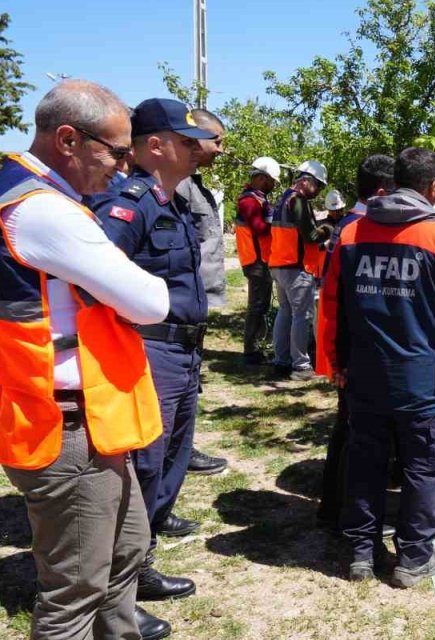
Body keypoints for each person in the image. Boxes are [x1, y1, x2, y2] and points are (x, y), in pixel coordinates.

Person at [0, 80, 171, 639]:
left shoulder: (13, 195)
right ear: (68, 140)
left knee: (127, 551)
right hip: (68, 429)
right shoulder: (45, 213)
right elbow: (151, 303)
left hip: (85, 421)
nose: (125, 168)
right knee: (74, 594)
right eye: (118, 152)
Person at [318, 147, 435, 587]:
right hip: (424, 382)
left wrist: (334, 363)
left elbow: (331, 307)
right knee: (422, 468)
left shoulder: (351, 234)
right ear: (434, 187)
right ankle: (413, 557)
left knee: (366, 462)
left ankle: (361, 553)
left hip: (365, 377)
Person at [89, 97, 216, 611]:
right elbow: (96, 276)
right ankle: (126, 576)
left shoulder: (175, 202)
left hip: (182, 351)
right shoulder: (131, 203)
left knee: (172, 458)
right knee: (144, 463)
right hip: (149, 351)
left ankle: (145, 551)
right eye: (187, 141)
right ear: (156, 146)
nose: (197, 149)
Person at [316, 153, 396, 530]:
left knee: (348, 428)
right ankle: (339, 510)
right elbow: (338, 297)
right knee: (351, 431)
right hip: (353, 348)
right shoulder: (356, 228)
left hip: (351, 347)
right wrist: (339, 358)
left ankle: (335, 507)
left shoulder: (350, 225)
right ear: (381, 192)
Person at [175, 108, 229, 476]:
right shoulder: (177, 186)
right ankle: (175, 450)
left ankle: (180, 448)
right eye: (217, 141)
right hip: (177, 305)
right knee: (179, 382)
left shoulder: (192, 184)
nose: (221, 150)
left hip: (195, 303)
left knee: (189, 380)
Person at [268, 159, 330, 379]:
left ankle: (281, 361)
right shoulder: (298, 201)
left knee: (285, 312)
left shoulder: (283, 198)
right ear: (305, 181)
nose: (319, 190)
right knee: (301, 316)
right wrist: (328, 228)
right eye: (318, 185)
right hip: (296, 267)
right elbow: (311, 236)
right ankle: (301, 366)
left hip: (279, 264)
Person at [235, 157, 281, 364]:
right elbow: (260, 229)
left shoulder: (257, 199)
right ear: (262, 178)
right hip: (255, 261)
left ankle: (256, 348)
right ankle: (251, 351)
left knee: (261, 306)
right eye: (272, 181)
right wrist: (278, 223)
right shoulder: (249, 201)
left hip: (261, 259)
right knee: (257, 306)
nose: (273, 186)